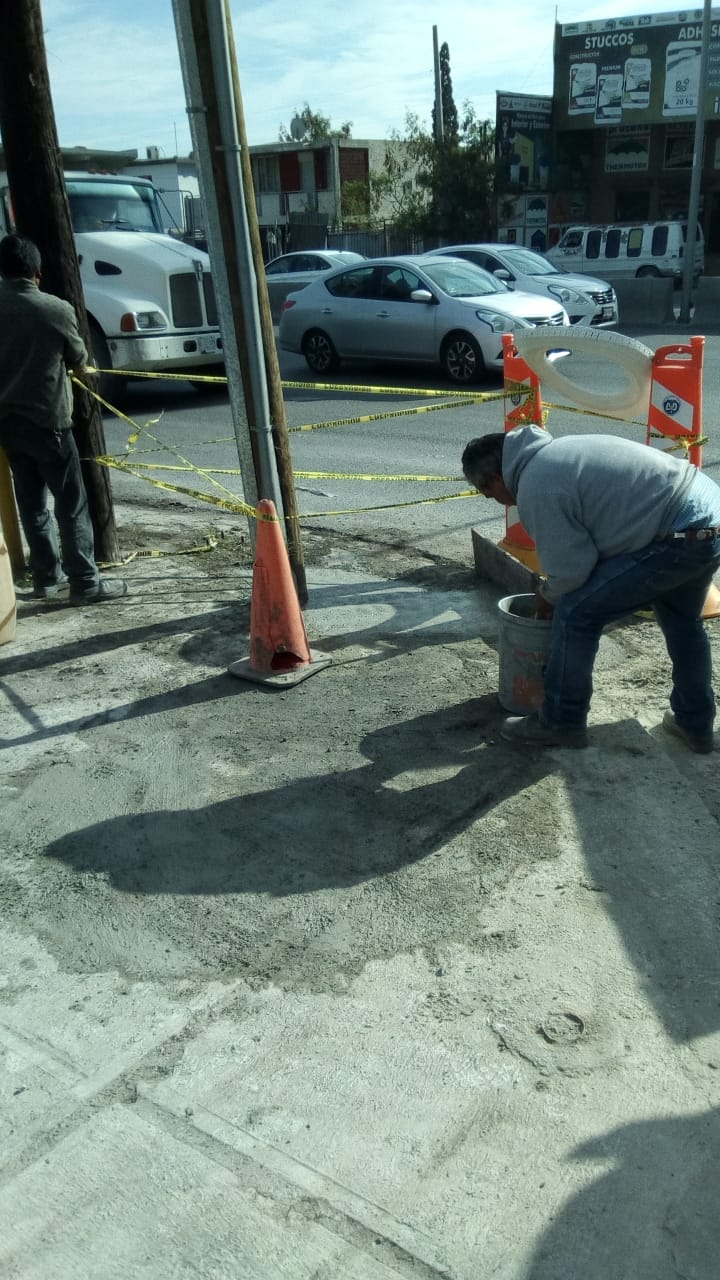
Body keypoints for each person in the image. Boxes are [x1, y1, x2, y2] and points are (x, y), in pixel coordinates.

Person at [462, 425, 720, 753]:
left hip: (679, 532)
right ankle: (694, 724)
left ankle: (561, 722)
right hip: (708, 518)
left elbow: (571, 571)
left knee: (576, 613)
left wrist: (547, 595)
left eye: (490, 495)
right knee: (683, 622)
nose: (499, 502)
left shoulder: (536, 485)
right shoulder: (557, 454)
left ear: (495, 479)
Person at [0, 233, 126, 604]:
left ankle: (45, 579)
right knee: (71, 506)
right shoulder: (54, 309)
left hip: (8, 424)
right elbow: (78, 357)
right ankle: (84, 582)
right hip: (50, 424)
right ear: (37, 272)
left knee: (32, 506)